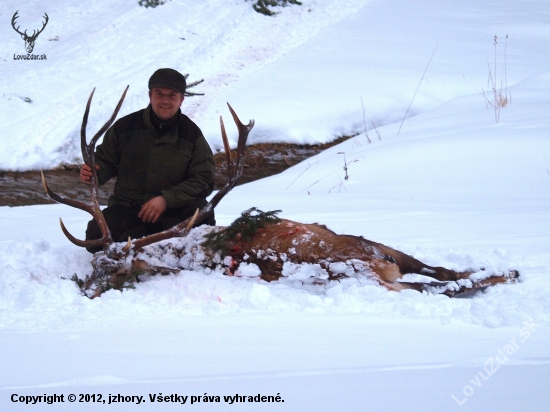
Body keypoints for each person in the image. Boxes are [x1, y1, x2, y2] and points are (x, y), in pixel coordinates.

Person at [81, 68, 215, 253]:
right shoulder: (125, 127)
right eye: (159, 94)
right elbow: (105, 160)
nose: (165, 101)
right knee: (96, 237)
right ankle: (159, 246)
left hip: (172, 212)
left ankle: (150, 245)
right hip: (130, 210)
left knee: (203, 215)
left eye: (172, 95)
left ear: (181, 99)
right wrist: (95, 171)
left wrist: (167, 199)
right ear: (150, 95)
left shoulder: (191, 134)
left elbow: (204, 180)